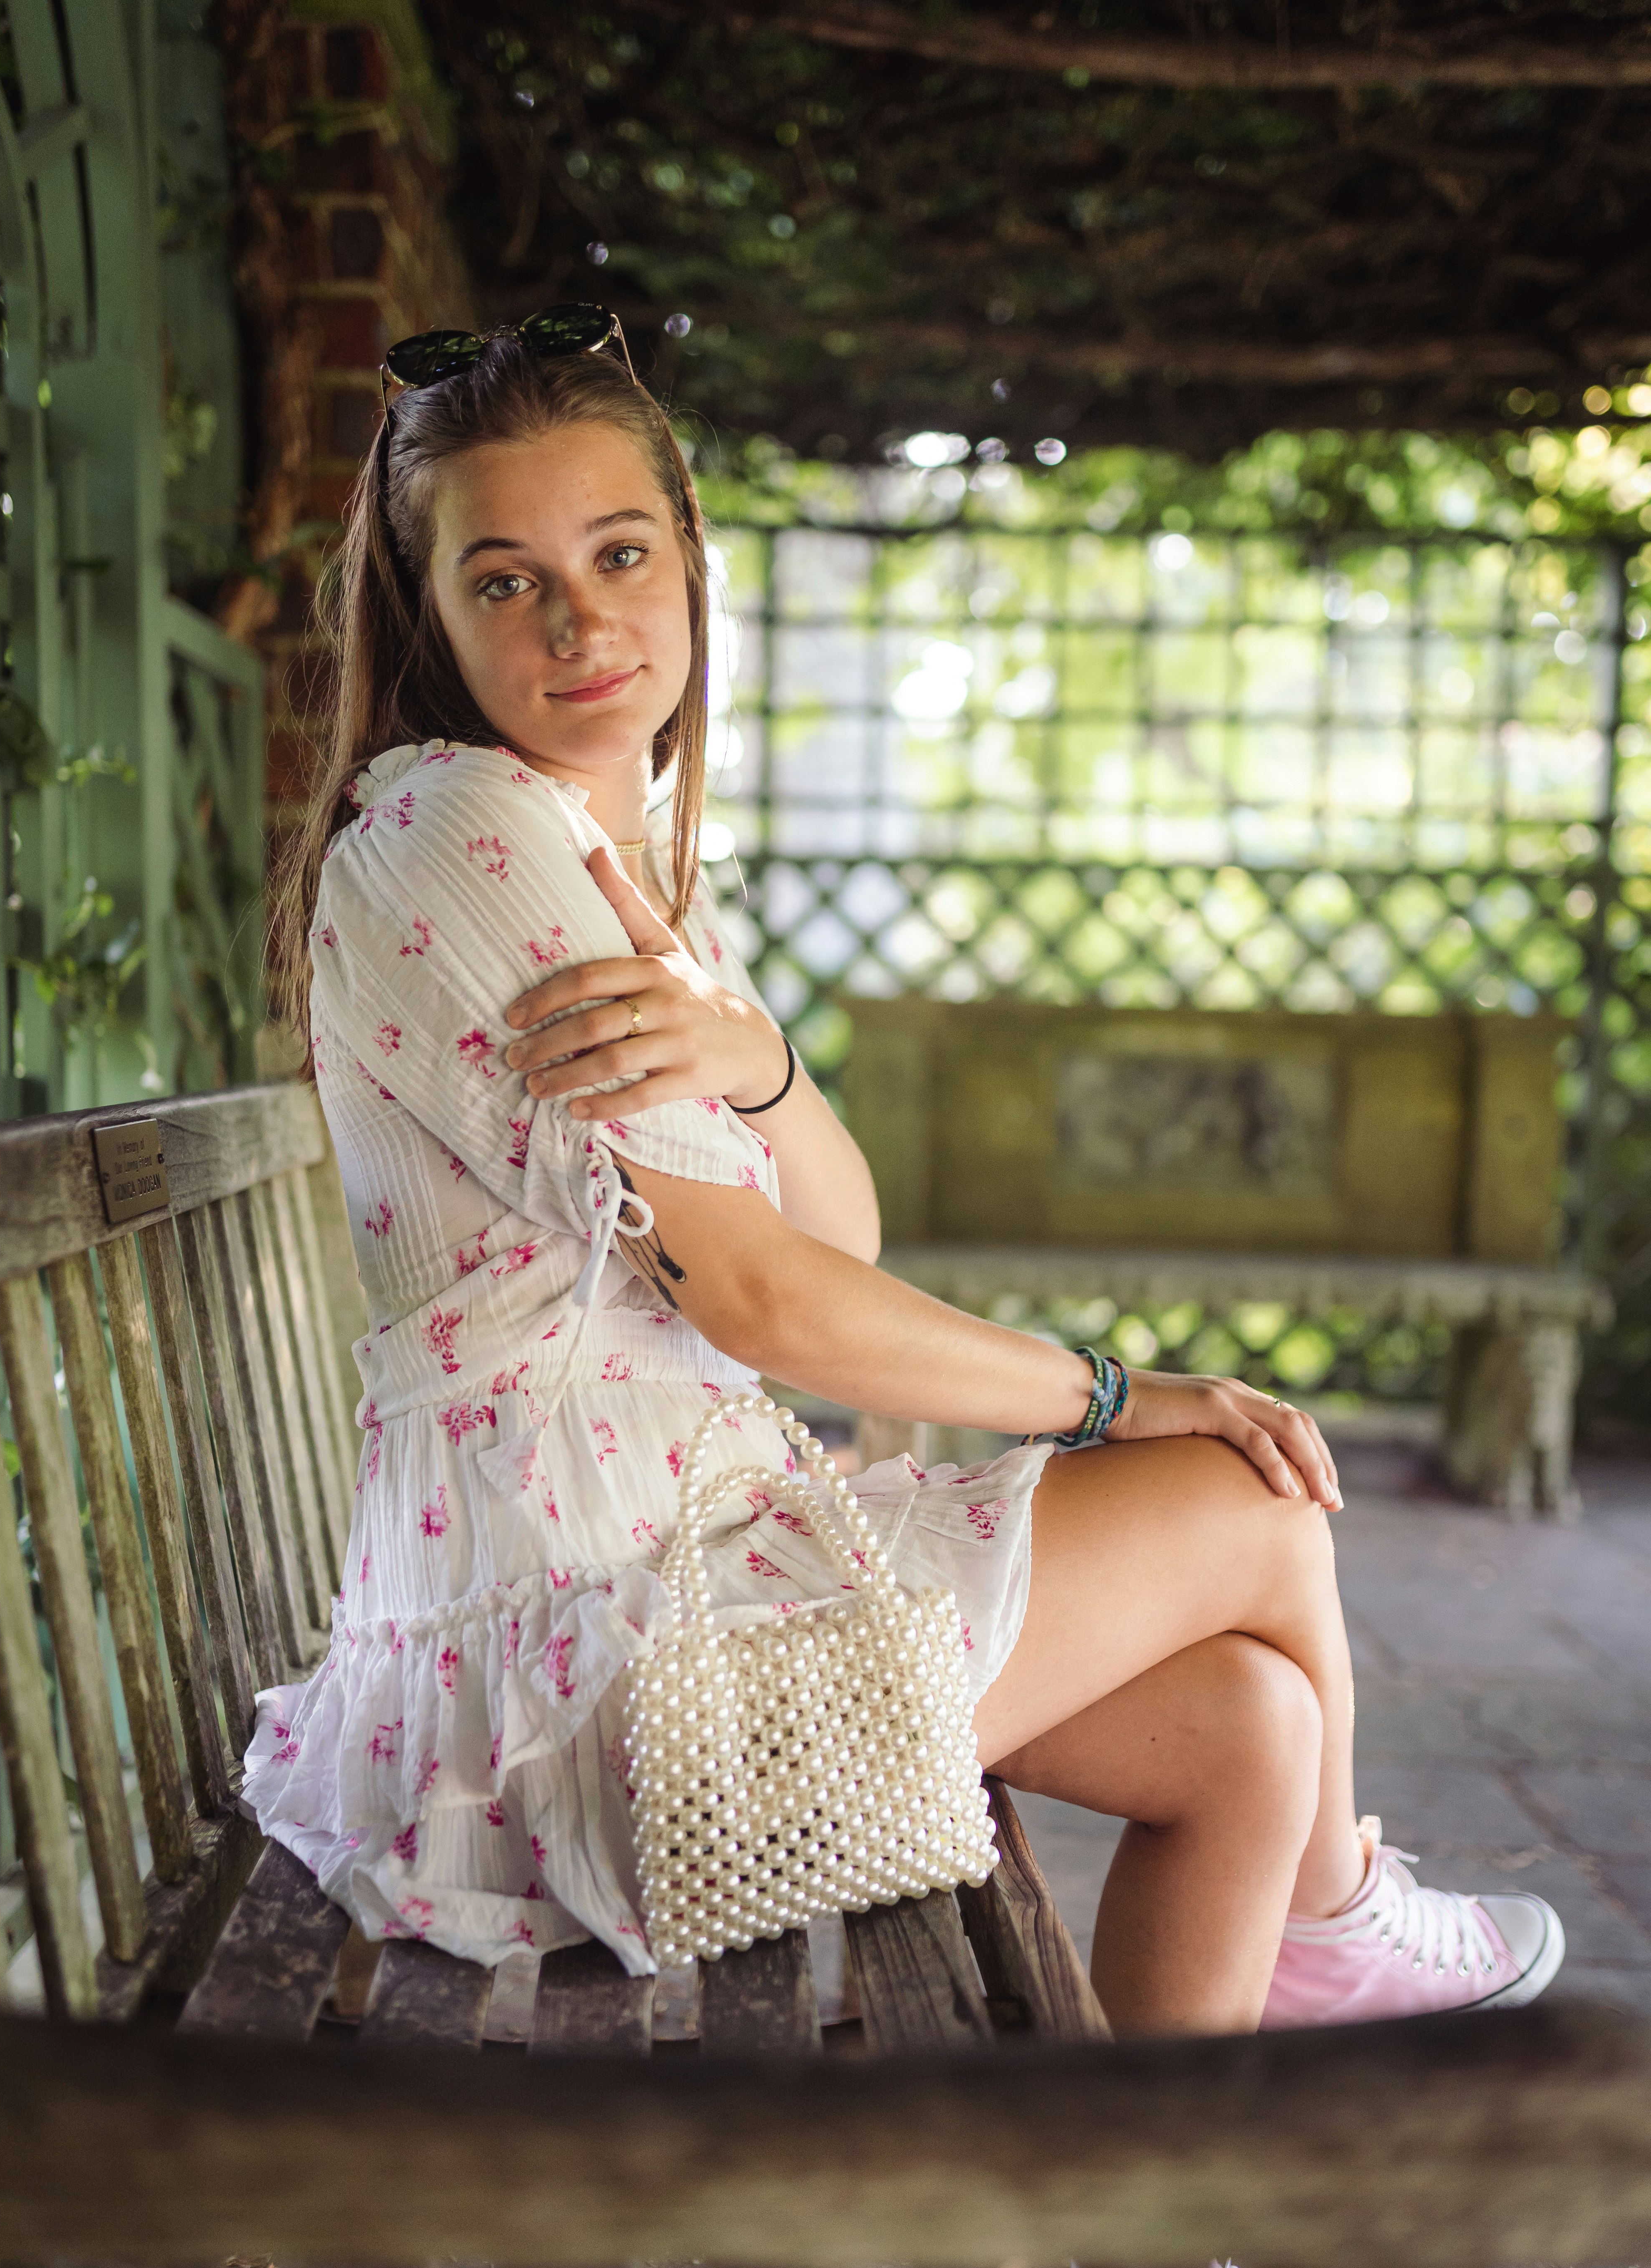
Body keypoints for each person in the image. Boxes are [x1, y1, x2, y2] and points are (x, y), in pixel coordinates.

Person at [249, 308, 1564, 2038]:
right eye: (507, 581)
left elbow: (830, 1233)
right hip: (596, 1698)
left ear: (688, 564)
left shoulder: (601, 845)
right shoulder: (464, 838)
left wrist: (763, 1064)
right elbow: (766, 1299)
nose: (582, 619)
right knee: (1253, 1492)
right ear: (427, 611)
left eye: (620, 553)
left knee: (1256, 1724)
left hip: (677, 1599)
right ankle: (1338, 1926)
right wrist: (1104, 1398)